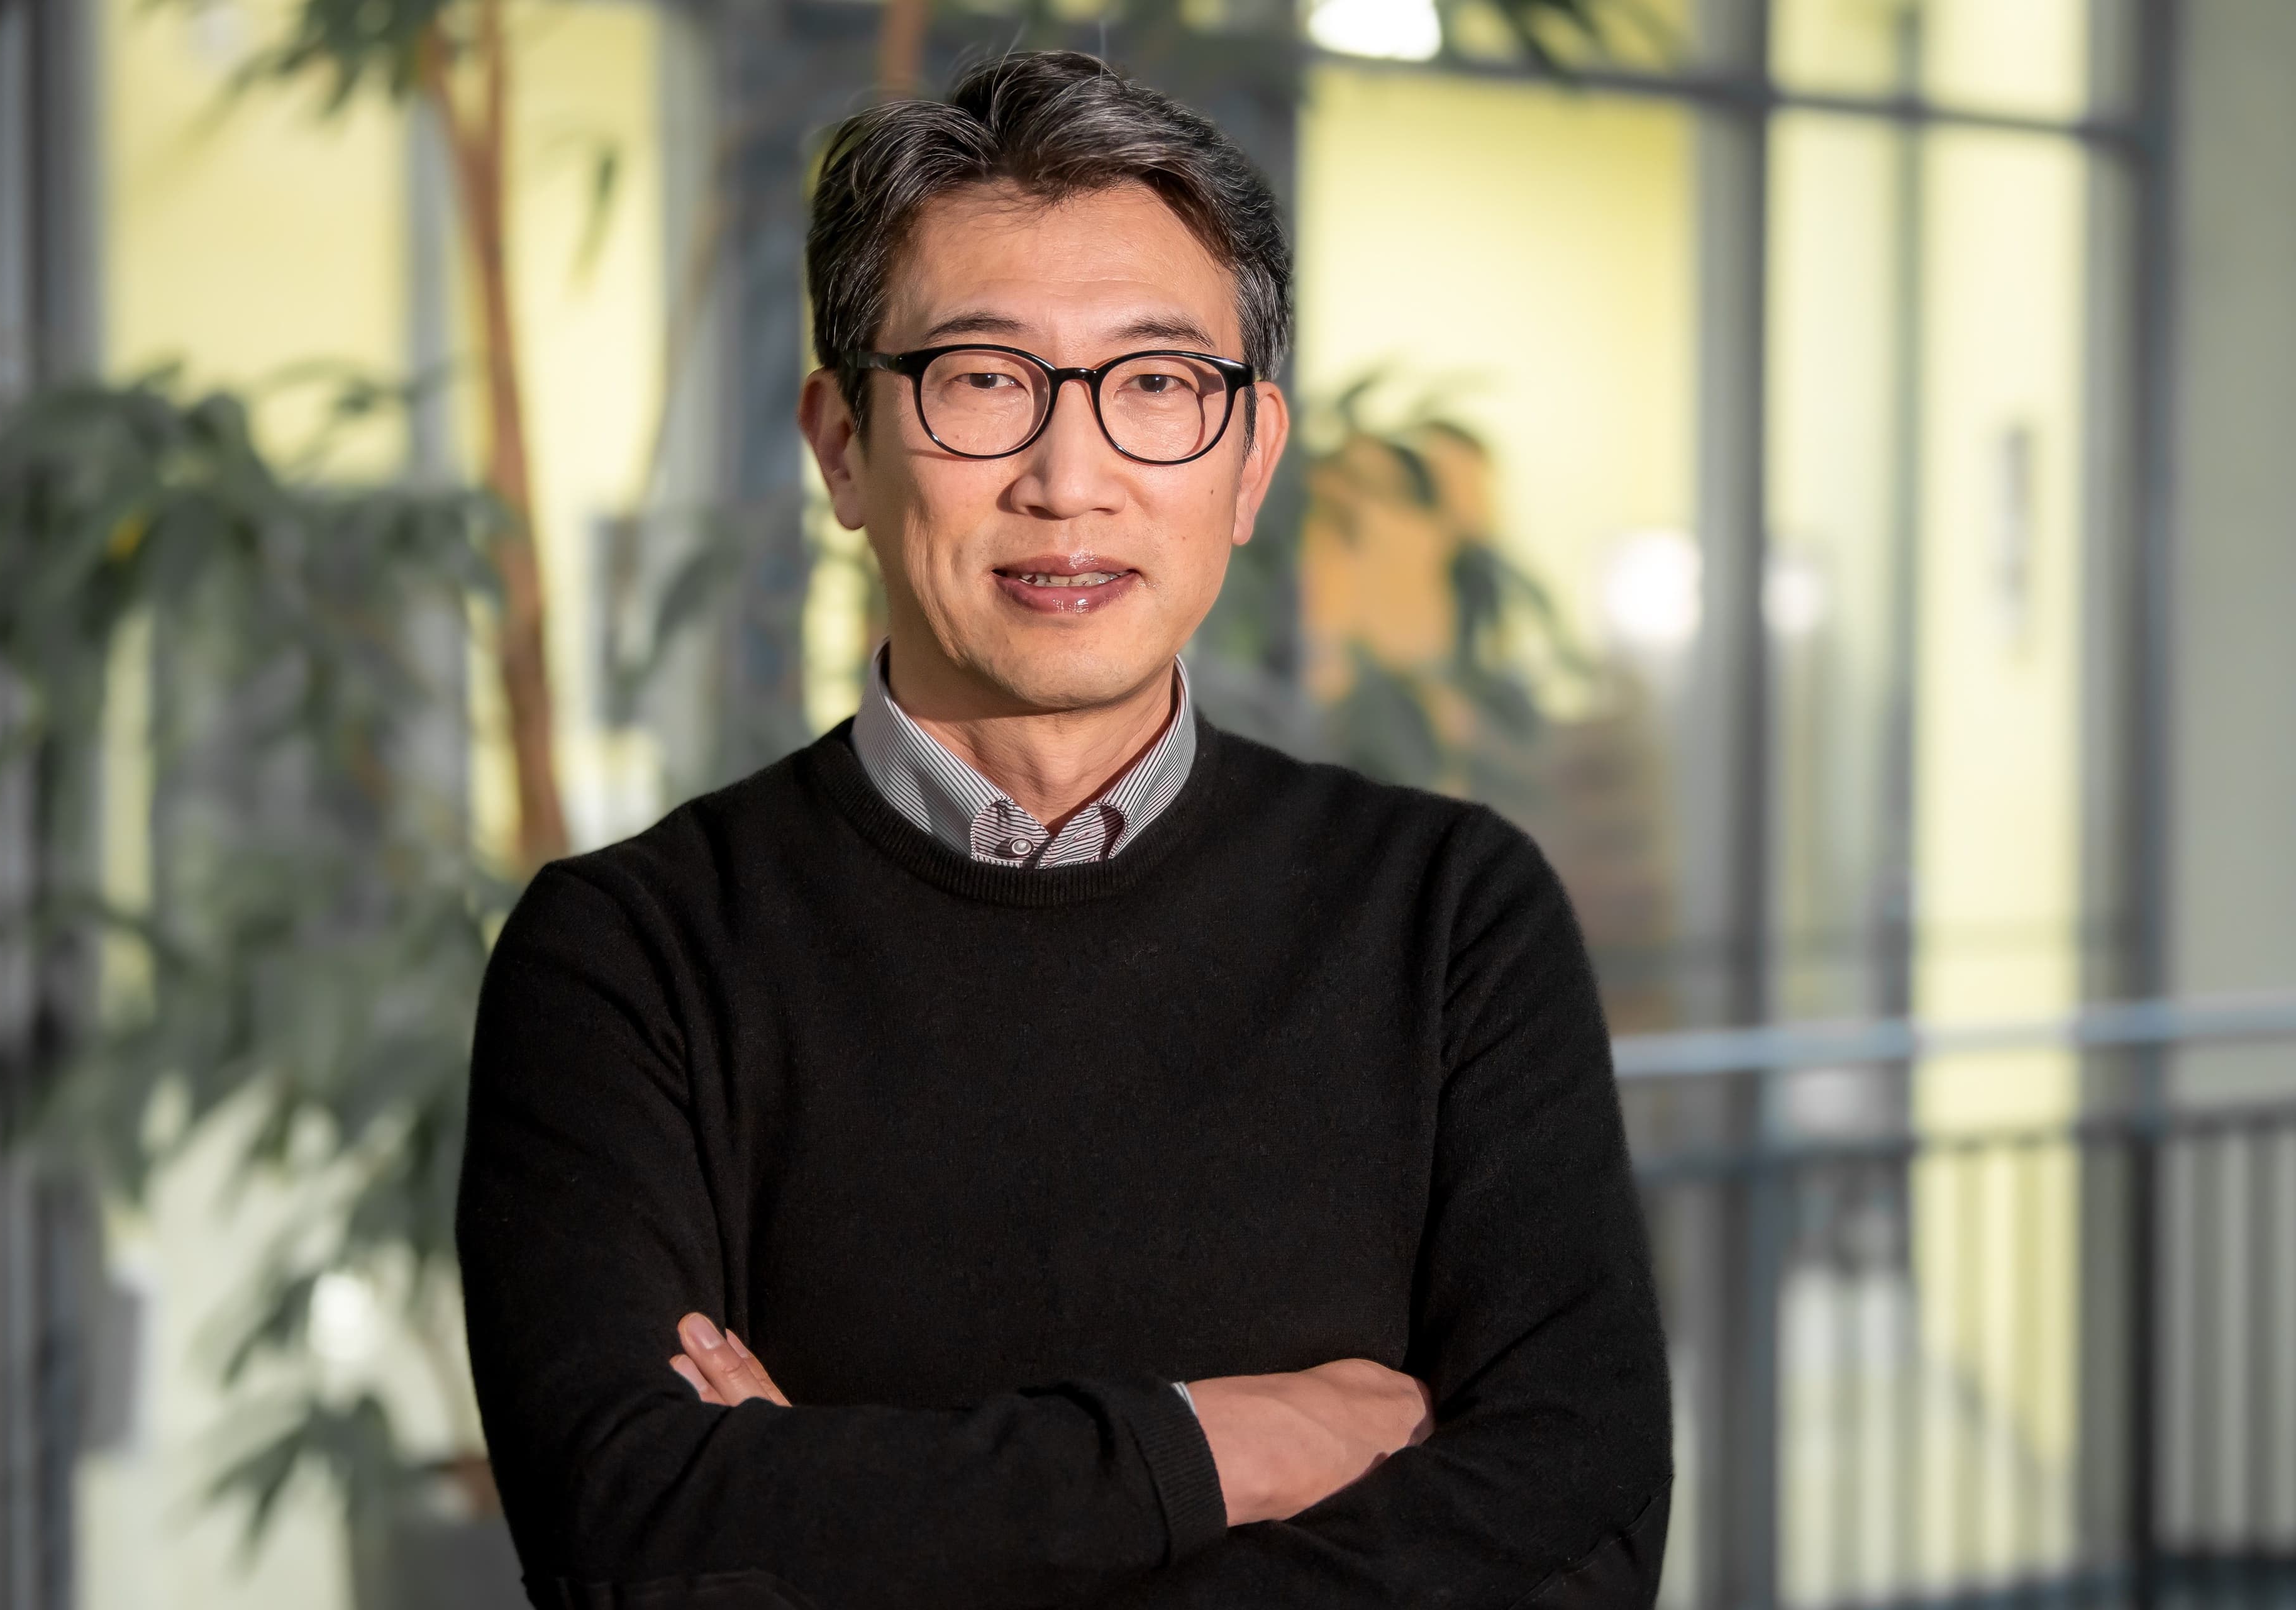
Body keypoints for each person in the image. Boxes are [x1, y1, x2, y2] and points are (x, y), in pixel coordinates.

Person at [457, 49, 1671, 1610]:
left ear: (1252, 459)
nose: (1071, 477)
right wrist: (1217, 1448)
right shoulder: (631, 956)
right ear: (842, 446)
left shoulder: (1448, 918)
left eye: (1157, 385)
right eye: (982, 380)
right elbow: (630, 1538)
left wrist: (849, 1512)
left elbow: (1581, 1533)